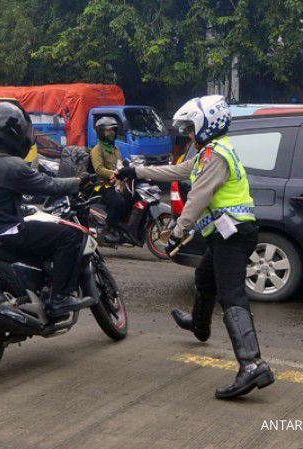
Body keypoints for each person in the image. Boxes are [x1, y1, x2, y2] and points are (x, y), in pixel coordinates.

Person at [117, 95, 274, 399]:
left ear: (206, 125)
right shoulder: (210, 153)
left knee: (232, 295)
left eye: (191, 128)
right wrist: (135, 172)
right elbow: (177, 171)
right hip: (225, 234)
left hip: (234, 234)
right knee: (204, 278)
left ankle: (253, 364)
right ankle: (199, 325)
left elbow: (197, 198)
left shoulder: (215, 156)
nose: (189, 134)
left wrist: (176, 233)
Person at [0, 102, 93, 317]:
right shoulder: (11, 165)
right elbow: (49, 185)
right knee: (71, 236)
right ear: (13, 133)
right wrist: (77, 181)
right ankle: (59, 297)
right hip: (6, 230)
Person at [90, 116, 130, 243]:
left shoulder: (115, 149)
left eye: (113, 130)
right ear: (101, 132)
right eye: (108, 130)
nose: (111, 133)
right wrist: (115, 174)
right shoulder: (97, 150)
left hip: (116, 184)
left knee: (131, 197)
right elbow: (99, 169)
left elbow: (120, 165)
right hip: (102, 185)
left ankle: (122, 226)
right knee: (118, 202)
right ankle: (108, 228)